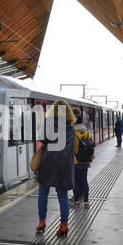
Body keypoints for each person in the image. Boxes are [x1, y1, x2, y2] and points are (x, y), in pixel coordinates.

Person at [36, 100, 76, 237]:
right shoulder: (71, 127)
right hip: (64, 164)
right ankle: (64, 225)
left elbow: (42, 139)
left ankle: (42, 222)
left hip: (48, 161)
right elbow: (72, 148)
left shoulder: (48, 123)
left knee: (43, 193)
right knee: (63, 196)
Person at [72, 108, 95, 208]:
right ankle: (86, 202)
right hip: (86, 162)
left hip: (75, 161)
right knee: (84, 180)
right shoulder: (88, 134)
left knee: (76, 182)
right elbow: (92, 147)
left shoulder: (72, 134)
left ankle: (76, 202)